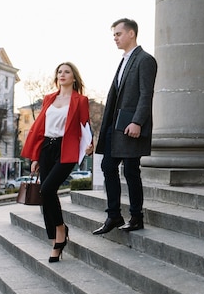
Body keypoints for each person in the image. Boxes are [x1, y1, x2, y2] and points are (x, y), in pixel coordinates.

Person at [21, 62, 92, 262]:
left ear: (74, 77)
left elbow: (85, 127)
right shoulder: (49, 99)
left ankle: (60, 230)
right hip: (47, 149)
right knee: (46, 194)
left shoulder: (80, 100)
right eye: (59, 72)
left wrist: (90, 146)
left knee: (47, 189)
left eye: (66, 72)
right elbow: (40, 129)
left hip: (66, 149)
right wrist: (36, 157)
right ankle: (54, 240)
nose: (62, 74)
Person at [93, 18, 157, 235]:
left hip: (131, 125)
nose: (115, 38)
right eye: (114, 35)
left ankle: (136, 217)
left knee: (131, 171)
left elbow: (146, 94)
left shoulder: (145, 59)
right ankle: (114, 215)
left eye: (118, 34)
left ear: (131, 34)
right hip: (115, 126)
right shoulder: (123, 61)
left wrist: (137, 121)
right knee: (108, 167)